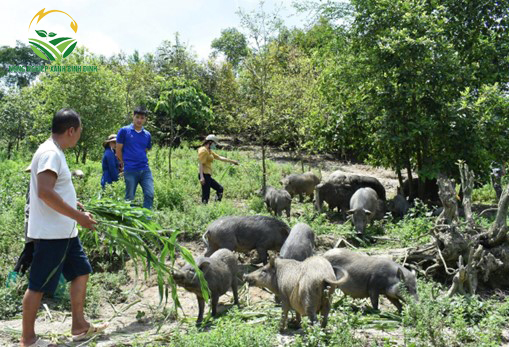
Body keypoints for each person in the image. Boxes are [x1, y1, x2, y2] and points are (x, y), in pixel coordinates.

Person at [20, 108, 107, 347]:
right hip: (51, 234)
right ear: (71, 130)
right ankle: (28, 339)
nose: (79, 135)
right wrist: (79, 216)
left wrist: (73, 205)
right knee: (38, 285)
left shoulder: (54, 151)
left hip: (65, 231)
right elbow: (45, 192)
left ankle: (79, 325)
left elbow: (54, 190)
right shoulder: (50, 153)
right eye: (79, 131)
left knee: (81, 271)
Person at [116, 106, 154, 209]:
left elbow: (146, 150)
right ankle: (130, 221)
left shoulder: (147, 134)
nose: (139, 120)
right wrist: (125, 162)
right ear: (133, 116)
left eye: (142, 118)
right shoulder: (124, 131)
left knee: (150, 194)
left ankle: (147, 220)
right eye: (137, 117)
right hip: (130, 170)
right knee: (130, 198)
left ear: (145, 119)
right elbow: (118, 150)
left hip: (145, 169)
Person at [198, 134, 239, 204]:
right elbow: (201, 163)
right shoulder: (203, 150)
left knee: (220, 188)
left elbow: (219, 157)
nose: (215, 145)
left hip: (208, 175)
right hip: (204, 175)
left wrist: (232, 161)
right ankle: (204, 210)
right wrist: (202, 177)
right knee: (206, 195)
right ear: (210, 142)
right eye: (214, 143)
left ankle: (216, 205)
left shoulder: (209, 151)